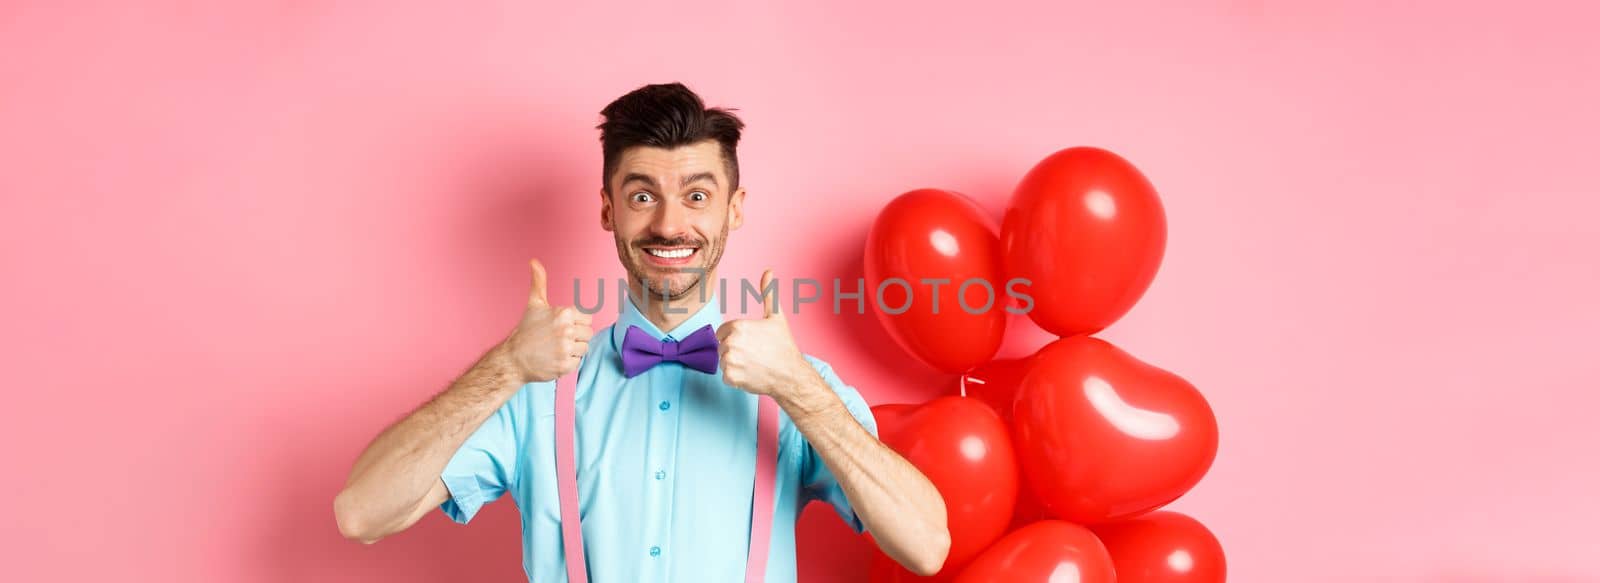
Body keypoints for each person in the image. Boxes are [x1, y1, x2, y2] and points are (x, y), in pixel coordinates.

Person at [333, 82, 950, 582]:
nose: (669, 223)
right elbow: (361, 513)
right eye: (642, 195)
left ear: (734, 209)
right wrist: (507, 369)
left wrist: (797, 389)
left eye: (697, 195)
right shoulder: (536, 388)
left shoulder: (794, 384)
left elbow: (925, 546)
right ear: (607, 209)